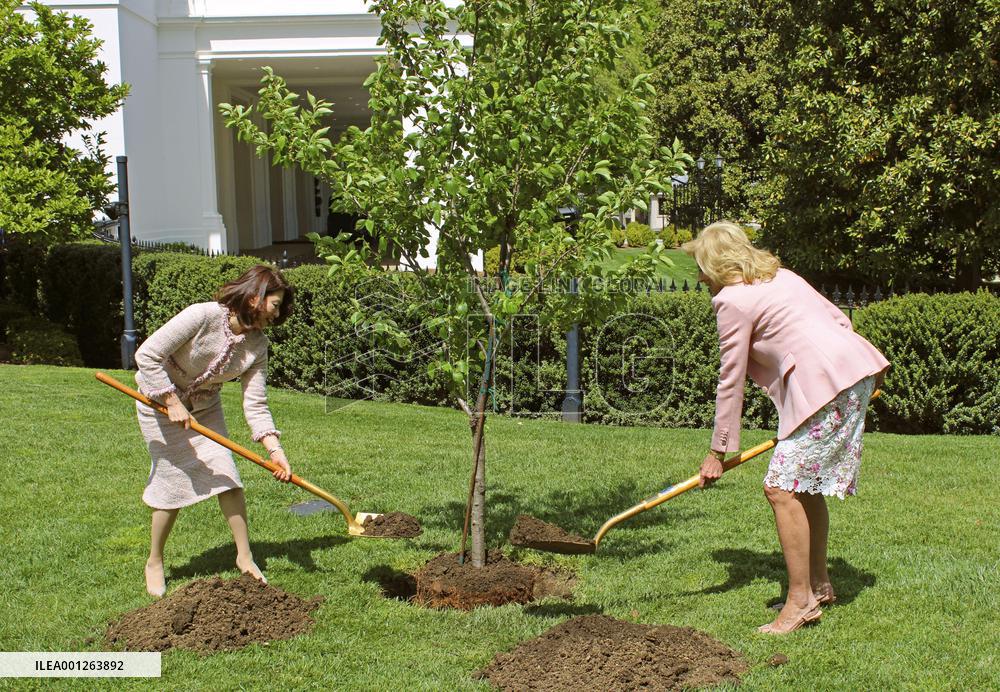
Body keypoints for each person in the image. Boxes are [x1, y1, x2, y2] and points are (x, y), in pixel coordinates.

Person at [682, 222, 889, 635]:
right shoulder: (783, 277)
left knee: (780, 488)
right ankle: (818, 584)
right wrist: (860, 375)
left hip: (827, 387)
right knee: (805, 485)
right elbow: (839, 320)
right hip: (852, 374)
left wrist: (718, 451)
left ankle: (800, 602)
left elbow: (731, 377)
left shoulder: (732, 301)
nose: (700, 277)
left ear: (715, 264)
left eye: (701, 267)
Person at [133, 264, 295, 598]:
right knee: (170, 484)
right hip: (158, 404)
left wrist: (275, 451)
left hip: (205, 408)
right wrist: (170, 400)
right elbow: (146, 355)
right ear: (254, 297)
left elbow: (256, 404)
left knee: (227, 474)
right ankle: (155, 561)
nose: (276, 315)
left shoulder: (257, 346)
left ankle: (245, 557)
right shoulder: (203, 315)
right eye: (275, 305)